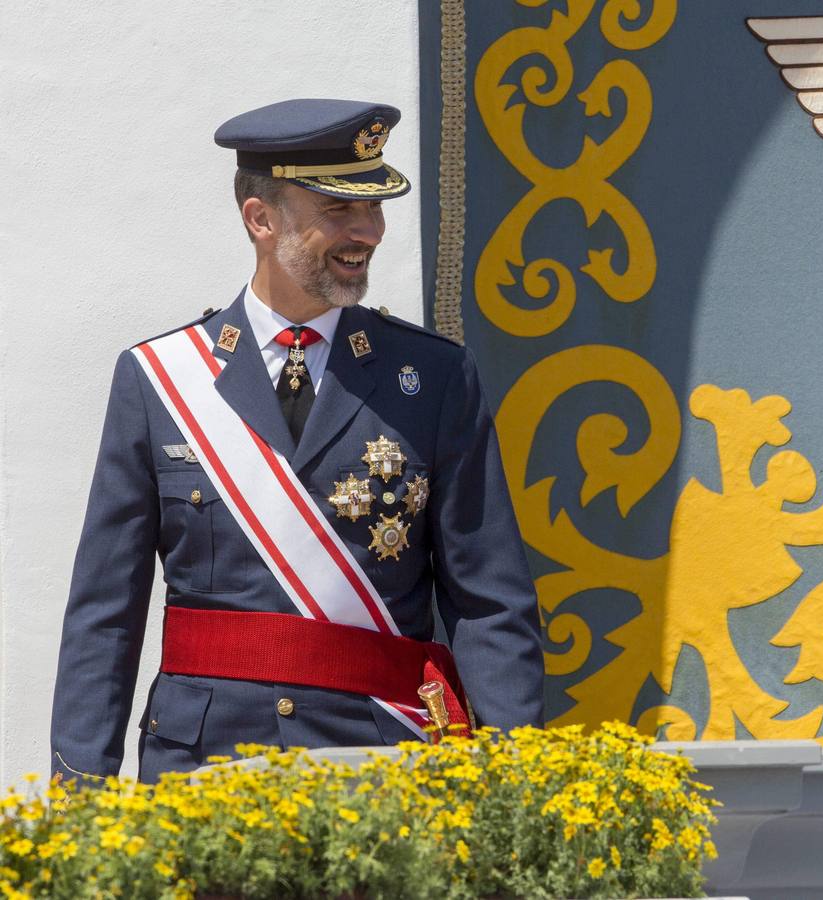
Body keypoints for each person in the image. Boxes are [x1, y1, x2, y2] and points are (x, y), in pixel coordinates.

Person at [50, 99, 544, 782]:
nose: (366, 232)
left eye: (373, 210)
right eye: (338, 211)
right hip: (203, 765)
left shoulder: (432, 376)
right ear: (261, 219)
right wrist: (80, 800)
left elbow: (490, 602)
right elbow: (105, 614)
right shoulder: (159, 381)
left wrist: (513, 784)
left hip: (384, 759)